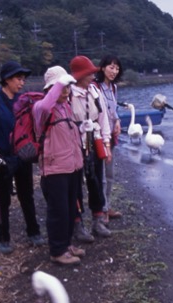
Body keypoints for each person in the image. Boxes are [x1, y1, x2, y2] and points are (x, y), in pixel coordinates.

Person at [0, 60, 44, 254]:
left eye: (23, 79)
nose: (21, 83)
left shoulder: (24, 100)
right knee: (2, 198)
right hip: (1, 156)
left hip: (22, 155)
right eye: (17, 79)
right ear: (6, 80)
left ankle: (34, 232)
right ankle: (3, 237)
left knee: (27, 195)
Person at [32, 66, 85, 265]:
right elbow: (46, 106)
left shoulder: (66, 107)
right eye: (60, 88)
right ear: (50, 89)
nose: (65, 91)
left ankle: (67, 244)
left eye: (67, 87)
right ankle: (57, 251)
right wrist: (62, 82)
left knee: (71, 209)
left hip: (72, 167)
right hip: (54, 170)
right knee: (58, 211)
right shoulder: (40, 109)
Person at [68, 55, 113, 241]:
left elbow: (103, 119)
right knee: (75, 183)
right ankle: (77, 223)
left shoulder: (95, 91)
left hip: (93, 140)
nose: (92, 77)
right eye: (88, 74)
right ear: (79, 75)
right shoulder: (67, 93)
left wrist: (107, 143)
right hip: (74, 143)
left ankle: (97, 219)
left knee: (95, 180)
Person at [93, 55, 124, 222]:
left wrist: (117, 120)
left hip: (111, 135)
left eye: (117, 68)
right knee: (102, 174)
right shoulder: (95, 87)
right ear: (103, 67)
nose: (114, 71)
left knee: (110, 173)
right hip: (99, 136)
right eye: (111, 67)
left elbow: (114, 108)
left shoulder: (113, 88)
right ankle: (102, 210)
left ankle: (107, 204)